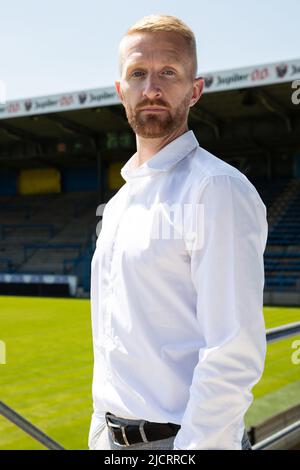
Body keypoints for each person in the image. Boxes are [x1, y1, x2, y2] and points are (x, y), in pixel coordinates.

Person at [88, 14, 268, 450]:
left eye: (169, 72)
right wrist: (100, 432)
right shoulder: (117, 206)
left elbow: (233, 350)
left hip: (179, 444)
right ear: (120, 91)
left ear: (195, 89)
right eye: (138, 74)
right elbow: (111, 342)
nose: (151, 89)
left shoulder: (216, 188)